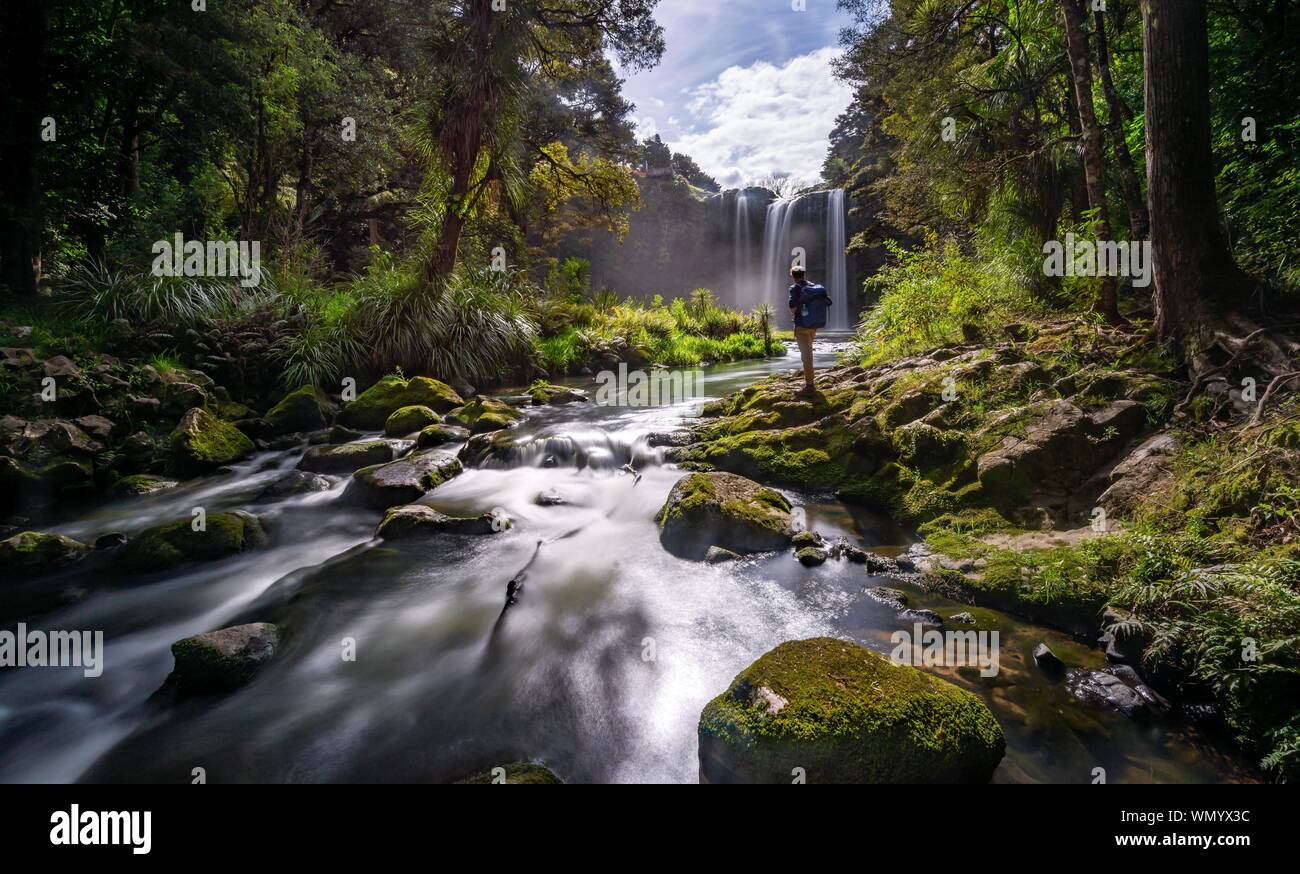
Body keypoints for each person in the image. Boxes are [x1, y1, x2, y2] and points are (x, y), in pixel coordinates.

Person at [787, 266, 831, 396]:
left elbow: (793, 308)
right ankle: (809, 381)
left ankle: (810, 385)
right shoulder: (813, 287)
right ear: (804, 275)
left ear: (793, 276)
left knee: (806, 355)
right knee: (808, 352)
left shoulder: (795, 288)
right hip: (814, 325)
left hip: (802, 326)